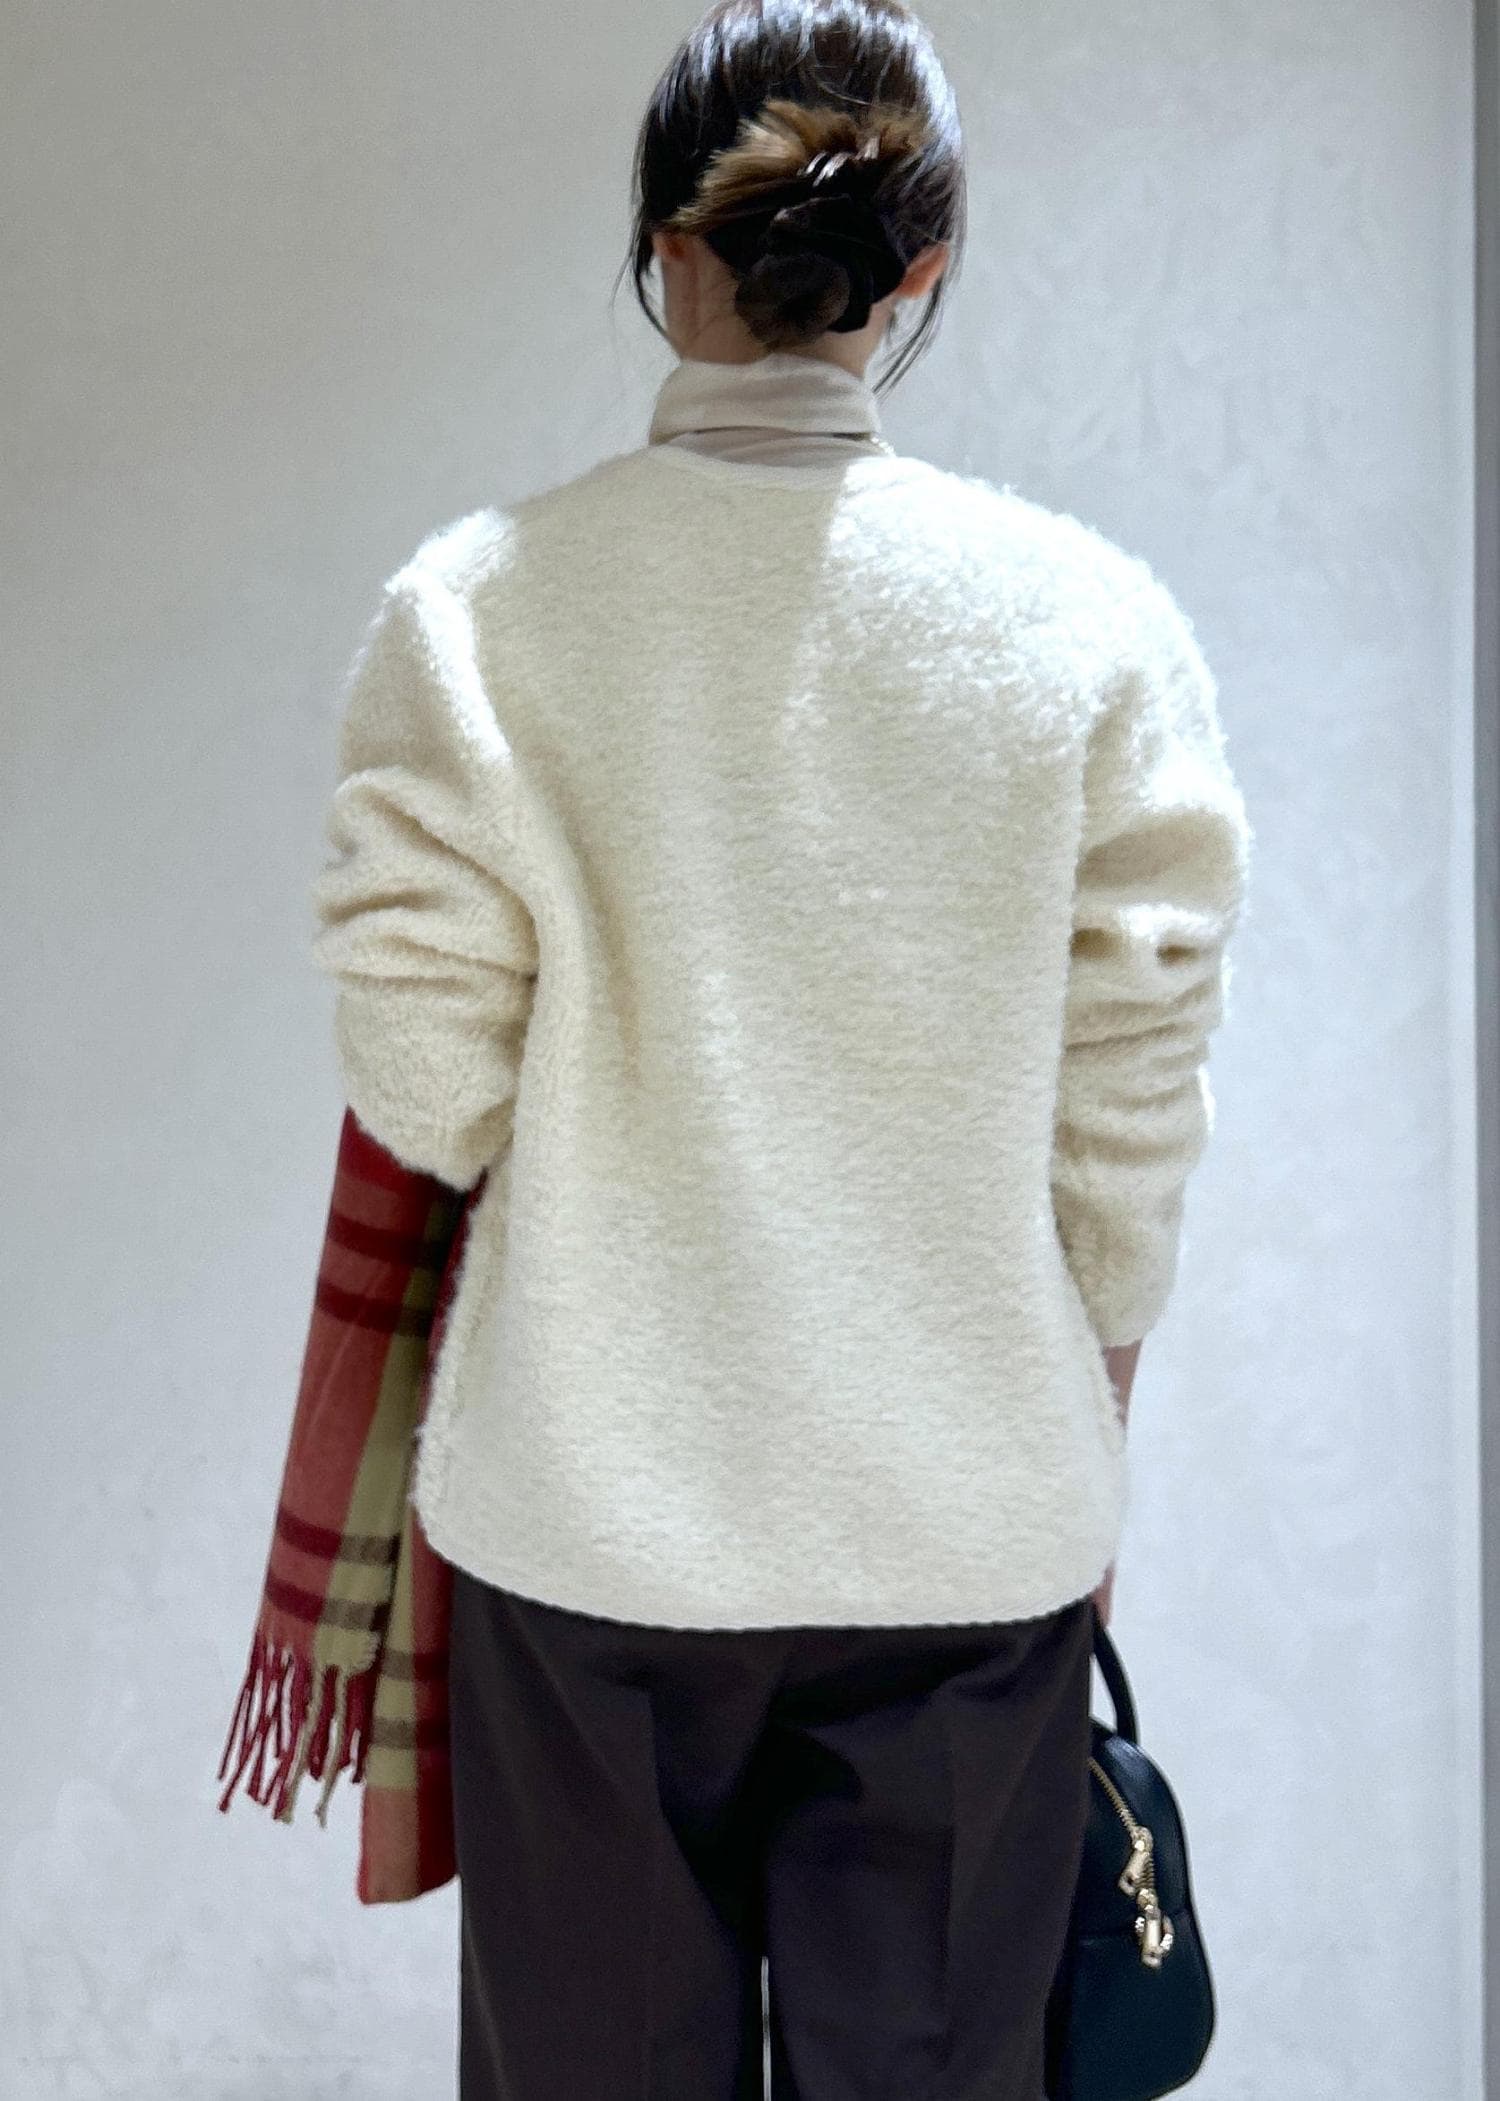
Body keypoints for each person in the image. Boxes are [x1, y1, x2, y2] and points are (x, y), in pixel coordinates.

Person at [307, 3, 1252, 2093]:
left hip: (588, 1523)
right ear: (921, 275)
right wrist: (1077, 1425)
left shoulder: (479, 613)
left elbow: (429, 1088)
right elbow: (1126, 1140)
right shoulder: (1091, 628)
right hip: (966, 1528)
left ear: (669, 252)